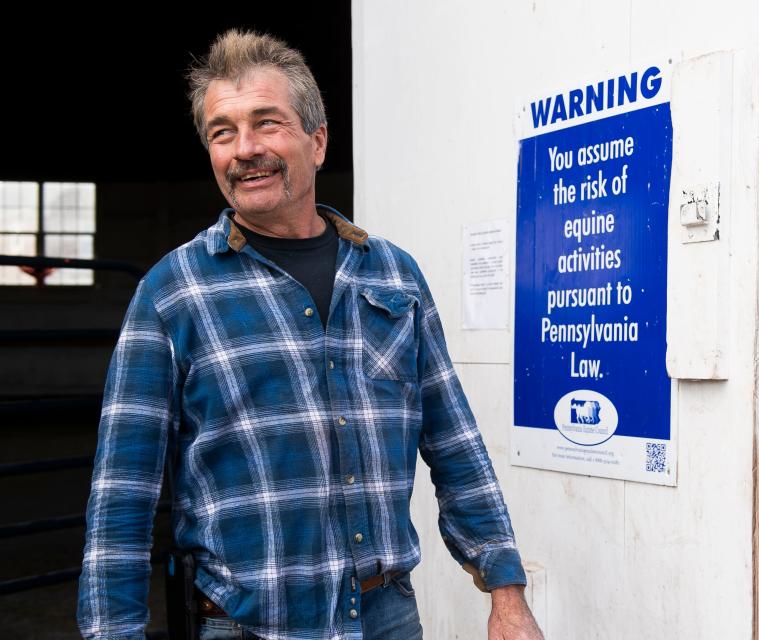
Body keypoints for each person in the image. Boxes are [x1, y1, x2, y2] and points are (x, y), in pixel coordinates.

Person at [77, 29, 543, 640]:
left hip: (387, 618)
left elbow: (454, 442)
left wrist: (506, 593)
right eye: (223, 132)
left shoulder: (393, 275)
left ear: (317, 141)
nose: (244, 149)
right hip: (247, 627)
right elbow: (122, 496)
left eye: (267, 124)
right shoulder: (172, 294)